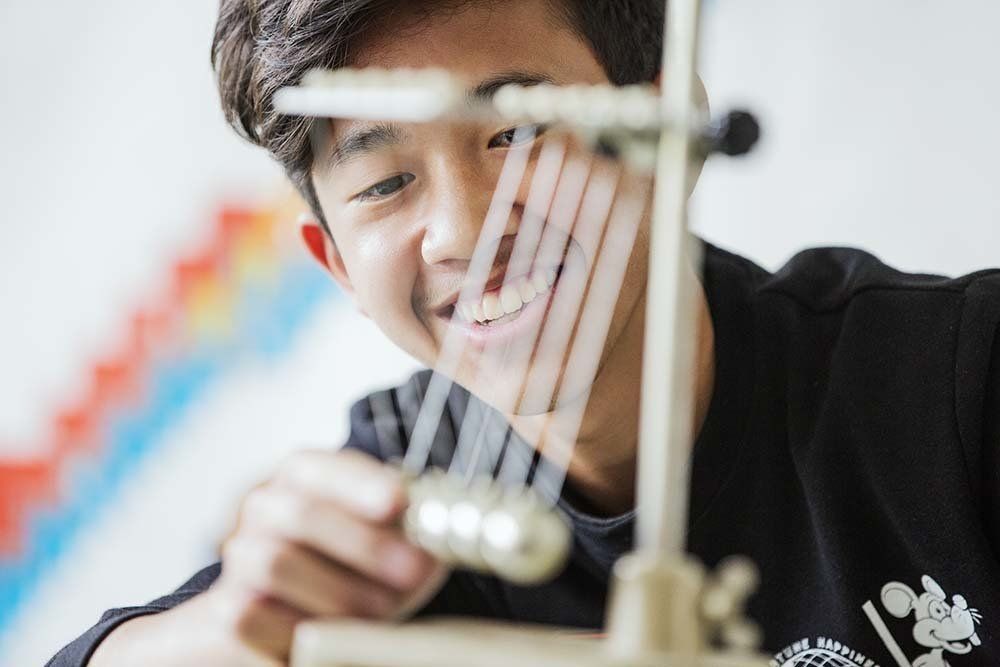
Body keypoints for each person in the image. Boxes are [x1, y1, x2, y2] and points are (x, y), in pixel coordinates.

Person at [50, 1, 1000, 666]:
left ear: (672, 128)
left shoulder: (957, 380)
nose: (468, 230)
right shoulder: (391, 514)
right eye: (385, 183)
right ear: (336, 262)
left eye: (521, 132)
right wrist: (230, 633)